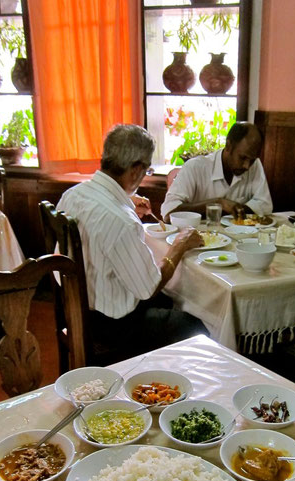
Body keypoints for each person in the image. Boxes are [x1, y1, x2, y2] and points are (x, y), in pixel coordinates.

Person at [56, 124, 208, 357]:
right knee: (194, 325)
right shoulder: (122, 221)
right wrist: (179, 244)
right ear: (135, 170)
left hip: (73, 307)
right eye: (146, 171)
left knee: (168, 302)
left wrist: (126, 202)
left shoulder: (73, 195)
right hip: (110, 327)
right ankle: (158, 386)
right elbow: (148, 288)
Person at [161, 122, 273, 220]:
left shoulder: (254, 165)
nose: (247, 166)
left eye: (252, 160)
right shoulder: (195, 167)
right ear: (228, 146)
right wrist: (218, 203)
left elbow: (265, 205)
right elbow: (168, 213)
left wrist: (234, 209)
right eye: (242, 158)